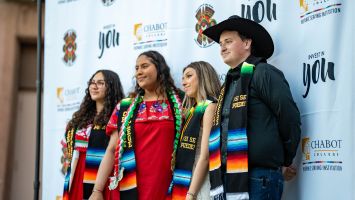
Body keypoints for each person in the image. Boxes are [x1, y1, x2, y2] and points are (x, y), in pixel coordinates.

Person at [203, 15, 301, 199]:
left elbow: (289, 117)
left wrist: (285, 160)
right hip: (228, 177)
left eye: (228, 41)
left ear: (247, 43)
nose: (222, 47)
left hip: (259, 177)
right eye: (221, 43)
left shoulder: (264, 73)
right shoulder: (229, 83)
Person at [89, 50, 184, 200]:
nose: (139, 72)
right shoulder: (125, 106)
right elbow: (112, 149)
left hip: (167, 185)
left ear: (159, 68)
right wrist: (97, 190)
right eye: (137, 68)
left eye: (144, 66)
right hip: (130, 185)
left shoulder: (180, 102)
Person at [62, 70, 125, 200]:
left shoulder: (118, 116)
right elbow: (74, 154)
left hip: (104, 176)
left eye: (100, 83)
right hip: (79, 175)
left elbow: (114, 151)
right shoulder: (81, 117)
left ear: (111, 88)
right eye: (92, 83)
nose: (94, 86)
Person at [170, 61, 221, 200]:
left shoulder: (210, 106)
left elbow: (205, 156)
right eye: (183, 78)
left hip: (201, 181)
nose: (184, 82)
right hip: (186, 177)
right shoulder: (193, 109)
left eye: (189, 76)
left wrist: (191, 193)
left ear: (203, 77)